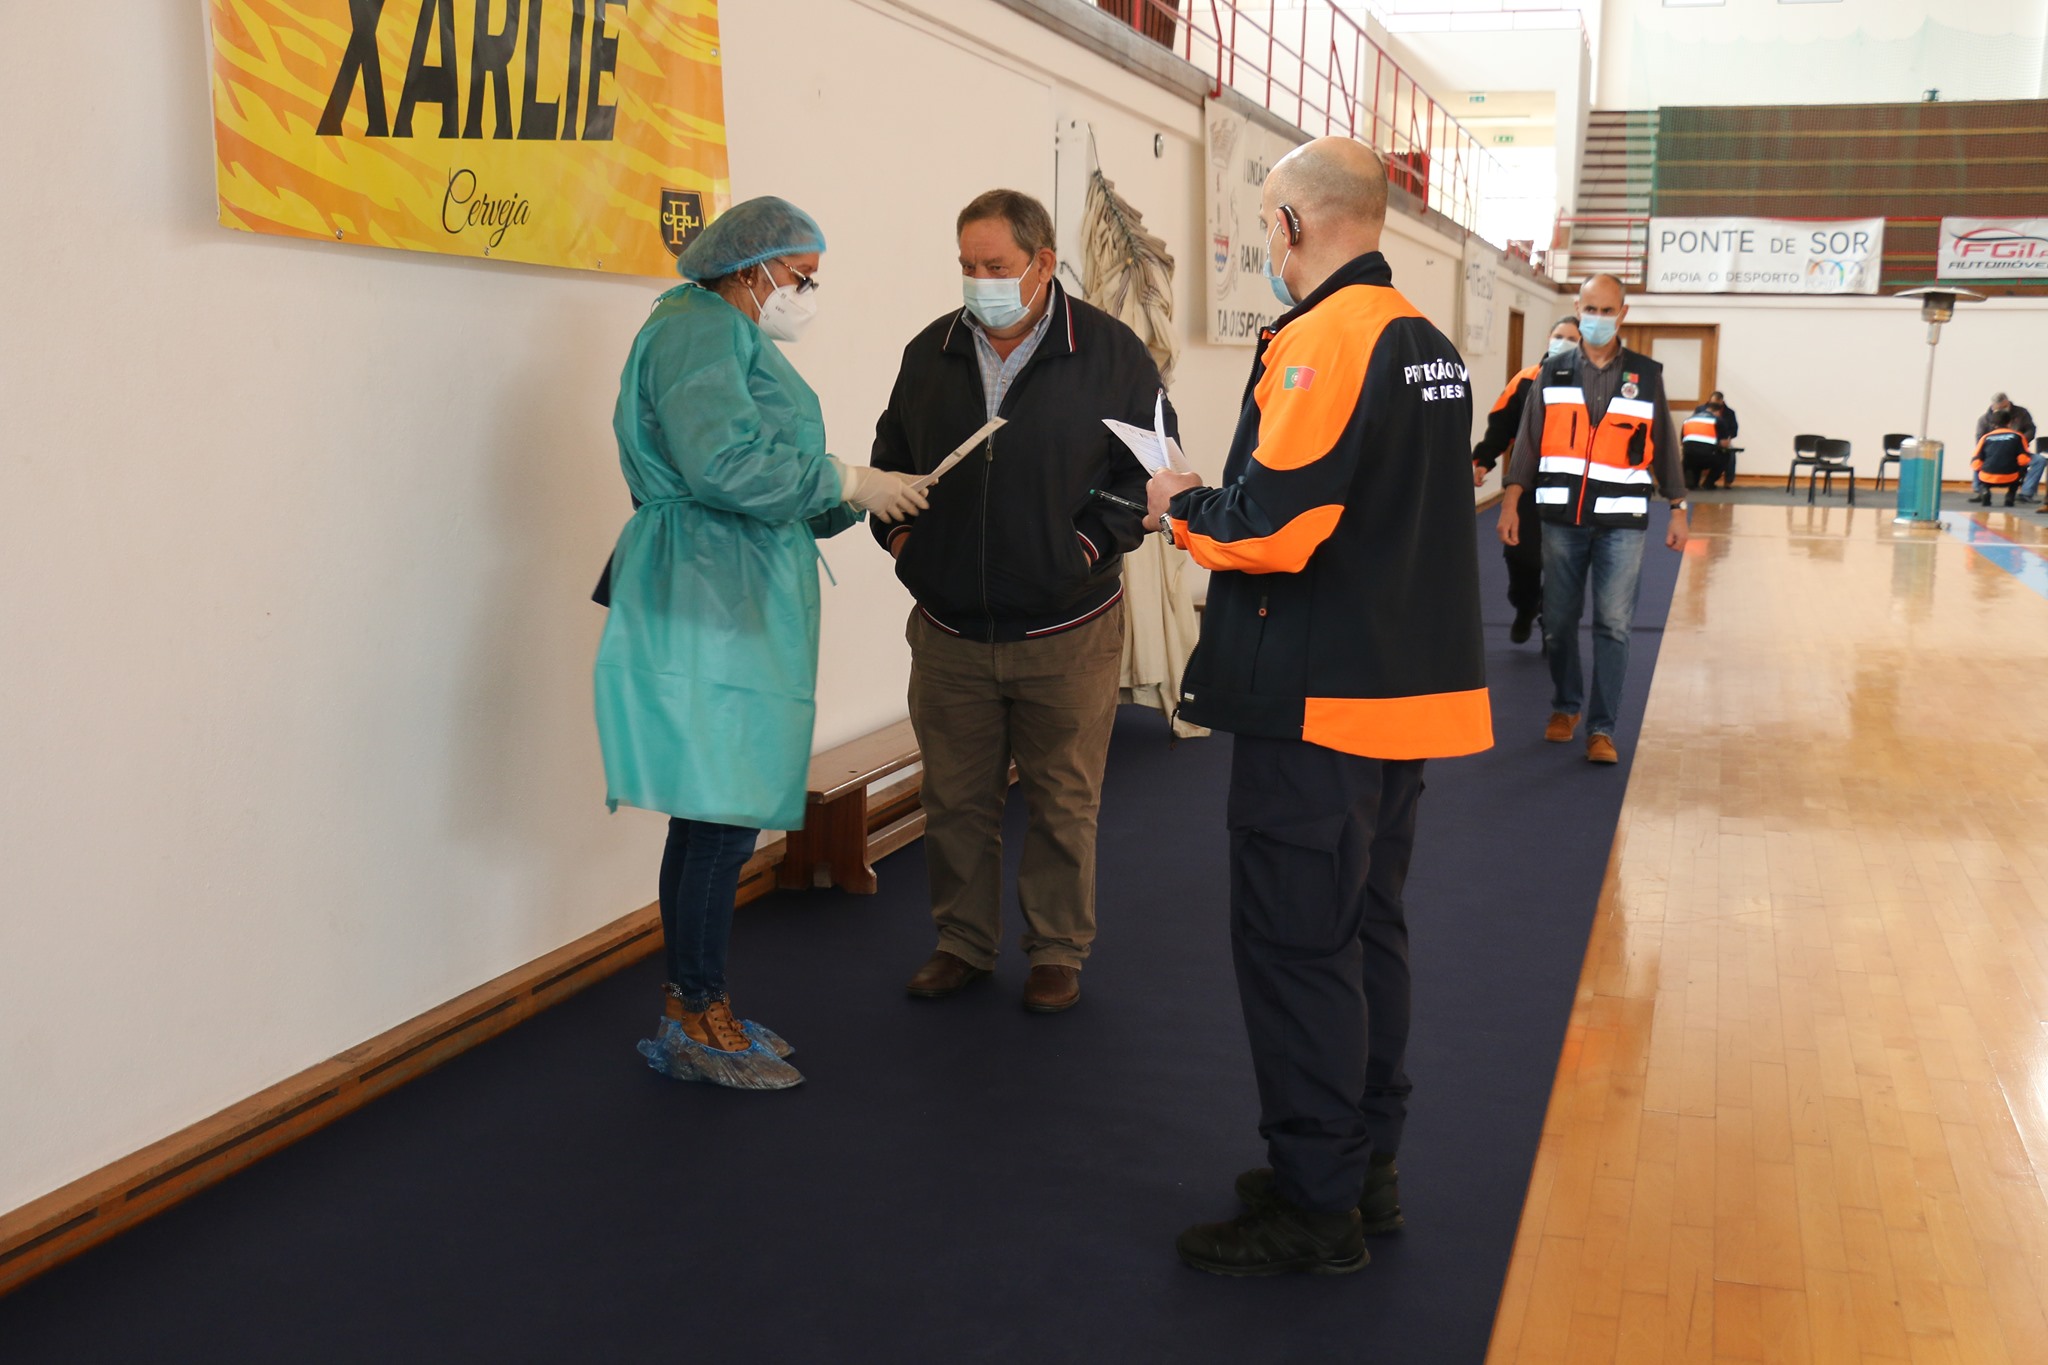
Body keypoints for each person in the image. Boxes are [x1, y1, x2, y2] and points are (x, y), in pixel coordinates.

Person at [1145, 137, 1491, 1277]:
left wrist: (1177, 501)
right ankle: (1360, 1166)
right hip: (1403, 697)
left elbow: (1272, 527)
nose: (1260, 240)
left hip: (1320, 705)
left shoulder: (1326, 341)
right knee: (1363, 936)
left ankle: (1312, 1204)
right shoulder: (1427, 345)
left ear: (1290, 223)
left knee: (1295, 951)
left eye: (1262, 220)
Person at [593, 197, 927, 1090]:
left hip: (729, 579)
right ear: (752, 268)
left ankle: (695, 1005)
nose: (807, 293)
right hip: (710, 585)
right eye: (802, 276)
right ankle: (695, 1014)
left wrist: (859, 495)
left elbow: (768, 477)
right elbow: (723, 465)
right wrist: (849, 476)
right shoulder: (696, 330)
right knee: (719, 811)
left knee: (717, 809)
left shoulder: (723, 332)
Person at [870, 189, 1167, 1014]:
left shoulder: (1112, 355)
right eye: (967, 267)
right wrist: (904, 549)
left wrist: (1079, 549)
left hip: (1068, 627)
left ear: (1042, 264)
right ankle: (961, 942)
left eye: (994, 267)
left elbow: (1146, 474)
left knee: (1063, 800)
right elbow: (888, 464)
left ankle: (1057, 951)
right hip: (949, 631)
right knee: (954, 799)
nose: (978, 282)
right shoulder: (928, 353)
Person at [1499, 273, 1687, 766]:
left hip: (1622, 522)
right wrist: (1510, 502)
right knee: (1558, 624)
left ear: (1623, 314)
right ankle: (1565, 706)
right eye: (1590, 309)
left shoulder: (1645, 376)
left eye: (1608, 311)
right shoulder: (1553, 371)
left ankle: (1602, 728)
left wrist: (1679, 507)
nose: (1598, 319)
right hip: (1562, 517)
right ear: (1577, 309)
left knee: (1614, 625)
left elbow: (1664, 445)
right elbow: (1529, 441)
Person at [1473, 316, 1579, 642]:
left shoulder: (1592, 381)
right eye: (1559, 336)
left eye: (1572, 338)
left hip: (1575, 486)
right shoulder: (1526, 379)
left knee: (1565, 562)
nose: (1564, 342)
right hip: (1529, 484)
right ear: (1549, 339)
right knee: (1522, 556)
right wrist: (1483, 460)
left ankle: (1552, 623)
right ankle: (1525, 605)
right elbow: (1502, 423)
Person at [1971, 424, 2031, 506]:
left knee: (1978, 468)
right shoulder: (2018, 436)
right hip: (2011, 477)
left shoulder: (1985, 437)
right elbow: (2024, 459)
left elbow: (1976, 461)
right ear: (2009, 423)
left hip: (1987, 477)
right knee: (2023, 468)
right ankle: (2010, 495)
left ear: (1994, 425)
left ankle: (1984, 490)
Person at [1681, 400, 1726, 490]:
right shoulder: (1717, 420)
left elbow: (1682, 441)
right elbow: (1724, 444)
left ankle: (1691, 483)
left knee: (1693, 456)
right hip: (1707, 457)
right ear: (1718, 411)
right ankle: (1708, 483)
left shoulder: (1688, 420)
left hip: (1688, 458)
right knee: (1725, 456)